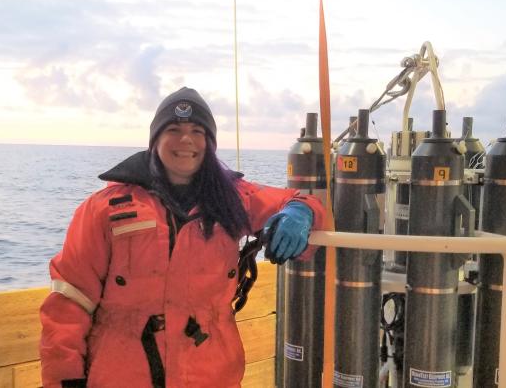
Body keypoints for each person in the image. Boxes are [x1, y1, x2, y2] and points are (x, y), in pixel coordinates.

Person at [39, 87, 325, 388]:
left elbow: (302, 202)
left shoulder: (234, 198)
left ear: (209, 143)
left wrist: (300, 214)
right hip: (122, 374)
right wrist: (64, 378)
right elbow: (68, 302)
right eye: (173, 129)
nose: (185, 139)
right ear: (155, 140)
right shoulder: (105, 208)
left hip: (212, 374)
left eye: (197, 131)